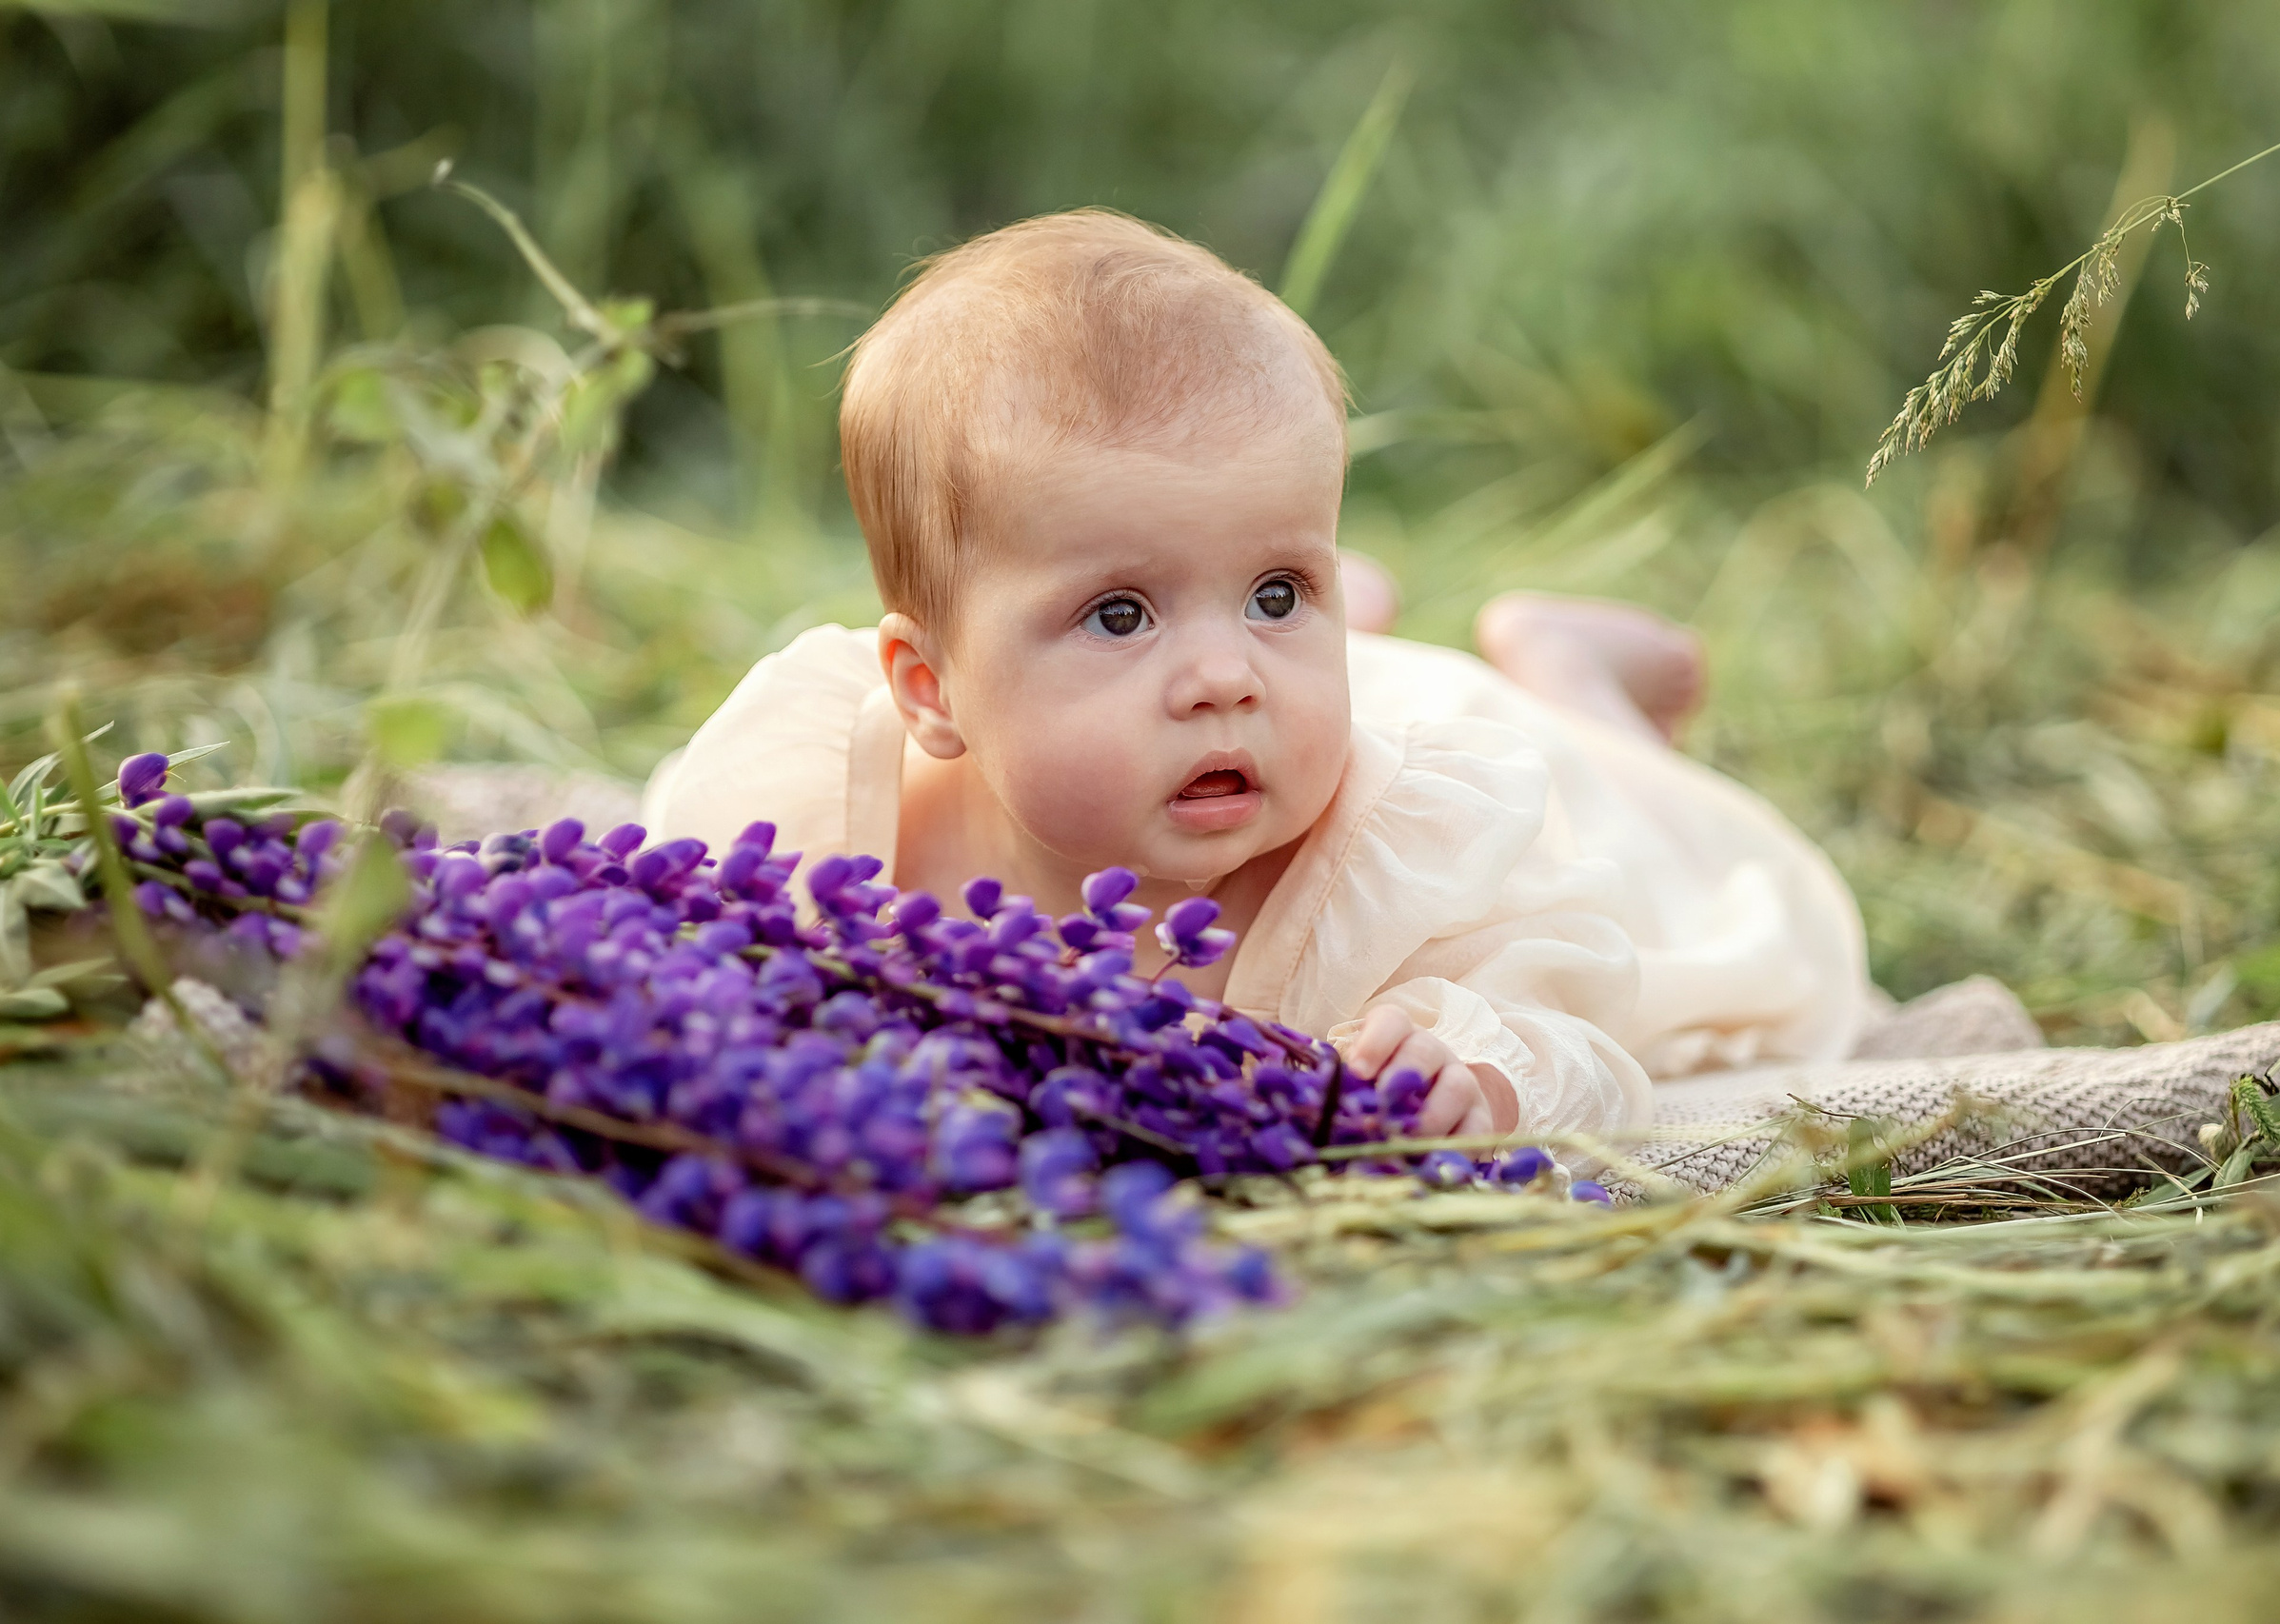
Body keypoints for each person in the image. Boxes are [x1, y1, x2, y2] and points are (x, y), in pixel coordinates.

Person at [644, 209, 1870, 1149]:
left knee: (1655, 831)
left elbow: (1592, 1035)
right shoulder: (835, 832)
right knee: (1258, 635)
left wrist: (1479, 1074)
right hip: (1340, 702)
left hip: (1522, 777)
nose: (1222, 676)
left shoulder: (1418, 853)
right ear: (931, 689)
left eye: (1280, 591)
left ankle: (1572, 682)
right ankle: (1357, 609)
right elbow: (677, 953)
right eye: (1118, 613)